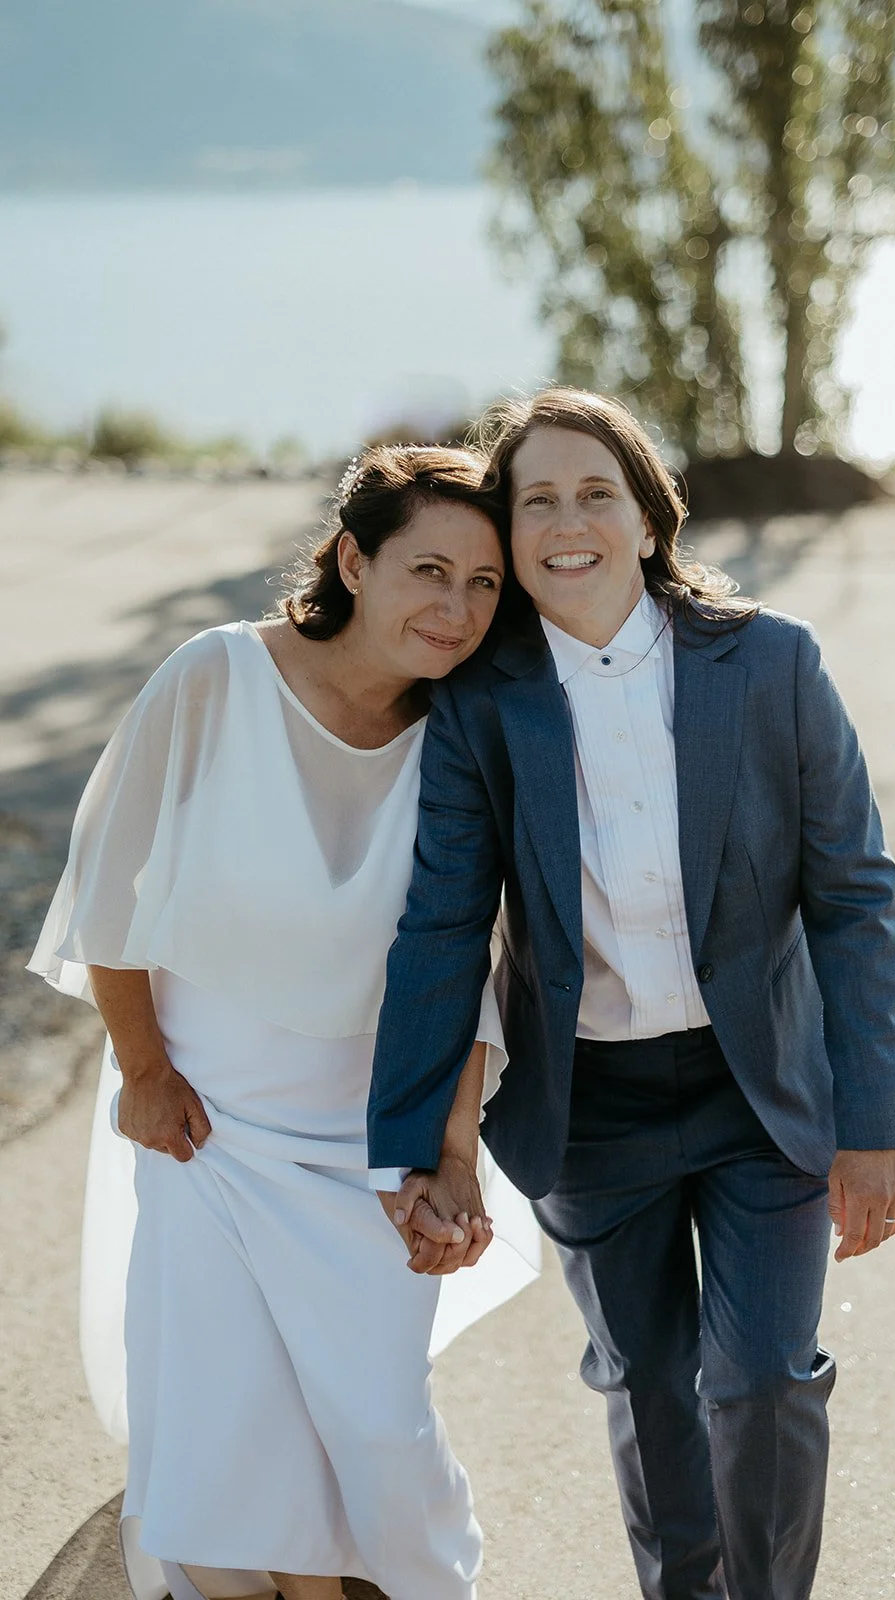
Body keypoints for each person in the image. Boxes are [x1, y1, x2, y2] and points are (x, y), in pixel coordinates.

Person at [367, 389, 895, 1600]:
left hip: (758, 1087)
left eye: (595, 492)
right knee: (652, 1388)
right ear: (506, 537)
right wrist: (420, 1146)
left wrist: (871, 1123)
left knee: (763, 1377)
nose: (568, 522)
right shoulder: (478, 705)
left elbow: (851, 896)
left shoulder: (770, 662)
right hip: (590, 1112)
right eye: (535, 500)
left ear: (649, 516)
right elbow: (444, 924)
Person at [29, 444, 541, 1600]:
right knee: (230, 1447)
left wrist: (452, 1149)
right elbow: (109, 888)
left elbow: (470, 963)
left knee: (375, 1427)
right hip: (209, 1122)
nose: (455, 609)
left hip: (376, 1136)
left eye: (482, 583)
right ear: (353, 561)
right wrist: (144, 1070)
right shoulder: (213, 677)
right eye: (426, 569)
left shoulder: (465, 735)